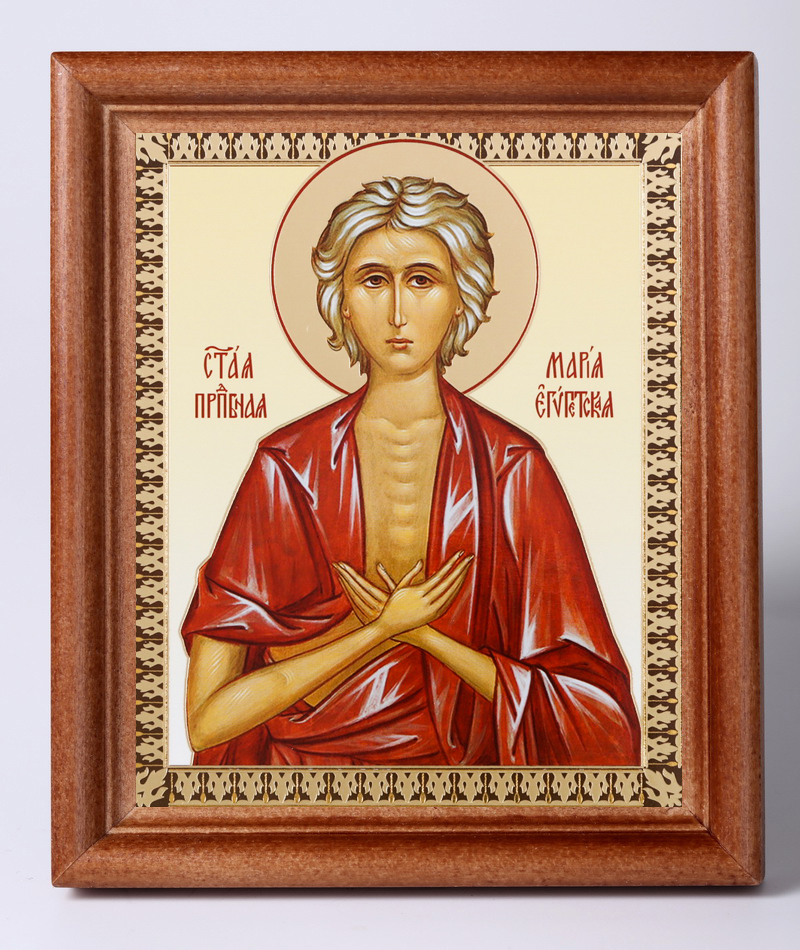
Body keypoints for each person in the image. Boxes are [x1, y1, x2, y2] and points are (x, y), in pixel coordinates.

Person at [181, 176, 640, 767]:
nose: (397, 312)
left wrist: (422, 636)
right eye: (374, 280)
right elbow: (207, 723)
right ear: (342, 301)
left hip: (468, 790)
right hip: (304, 785)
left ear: (462, 297)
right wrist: (379, 631)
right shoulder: (287, 468)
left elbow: (600, 721)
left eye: (422, 280)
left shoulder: (511, 469)